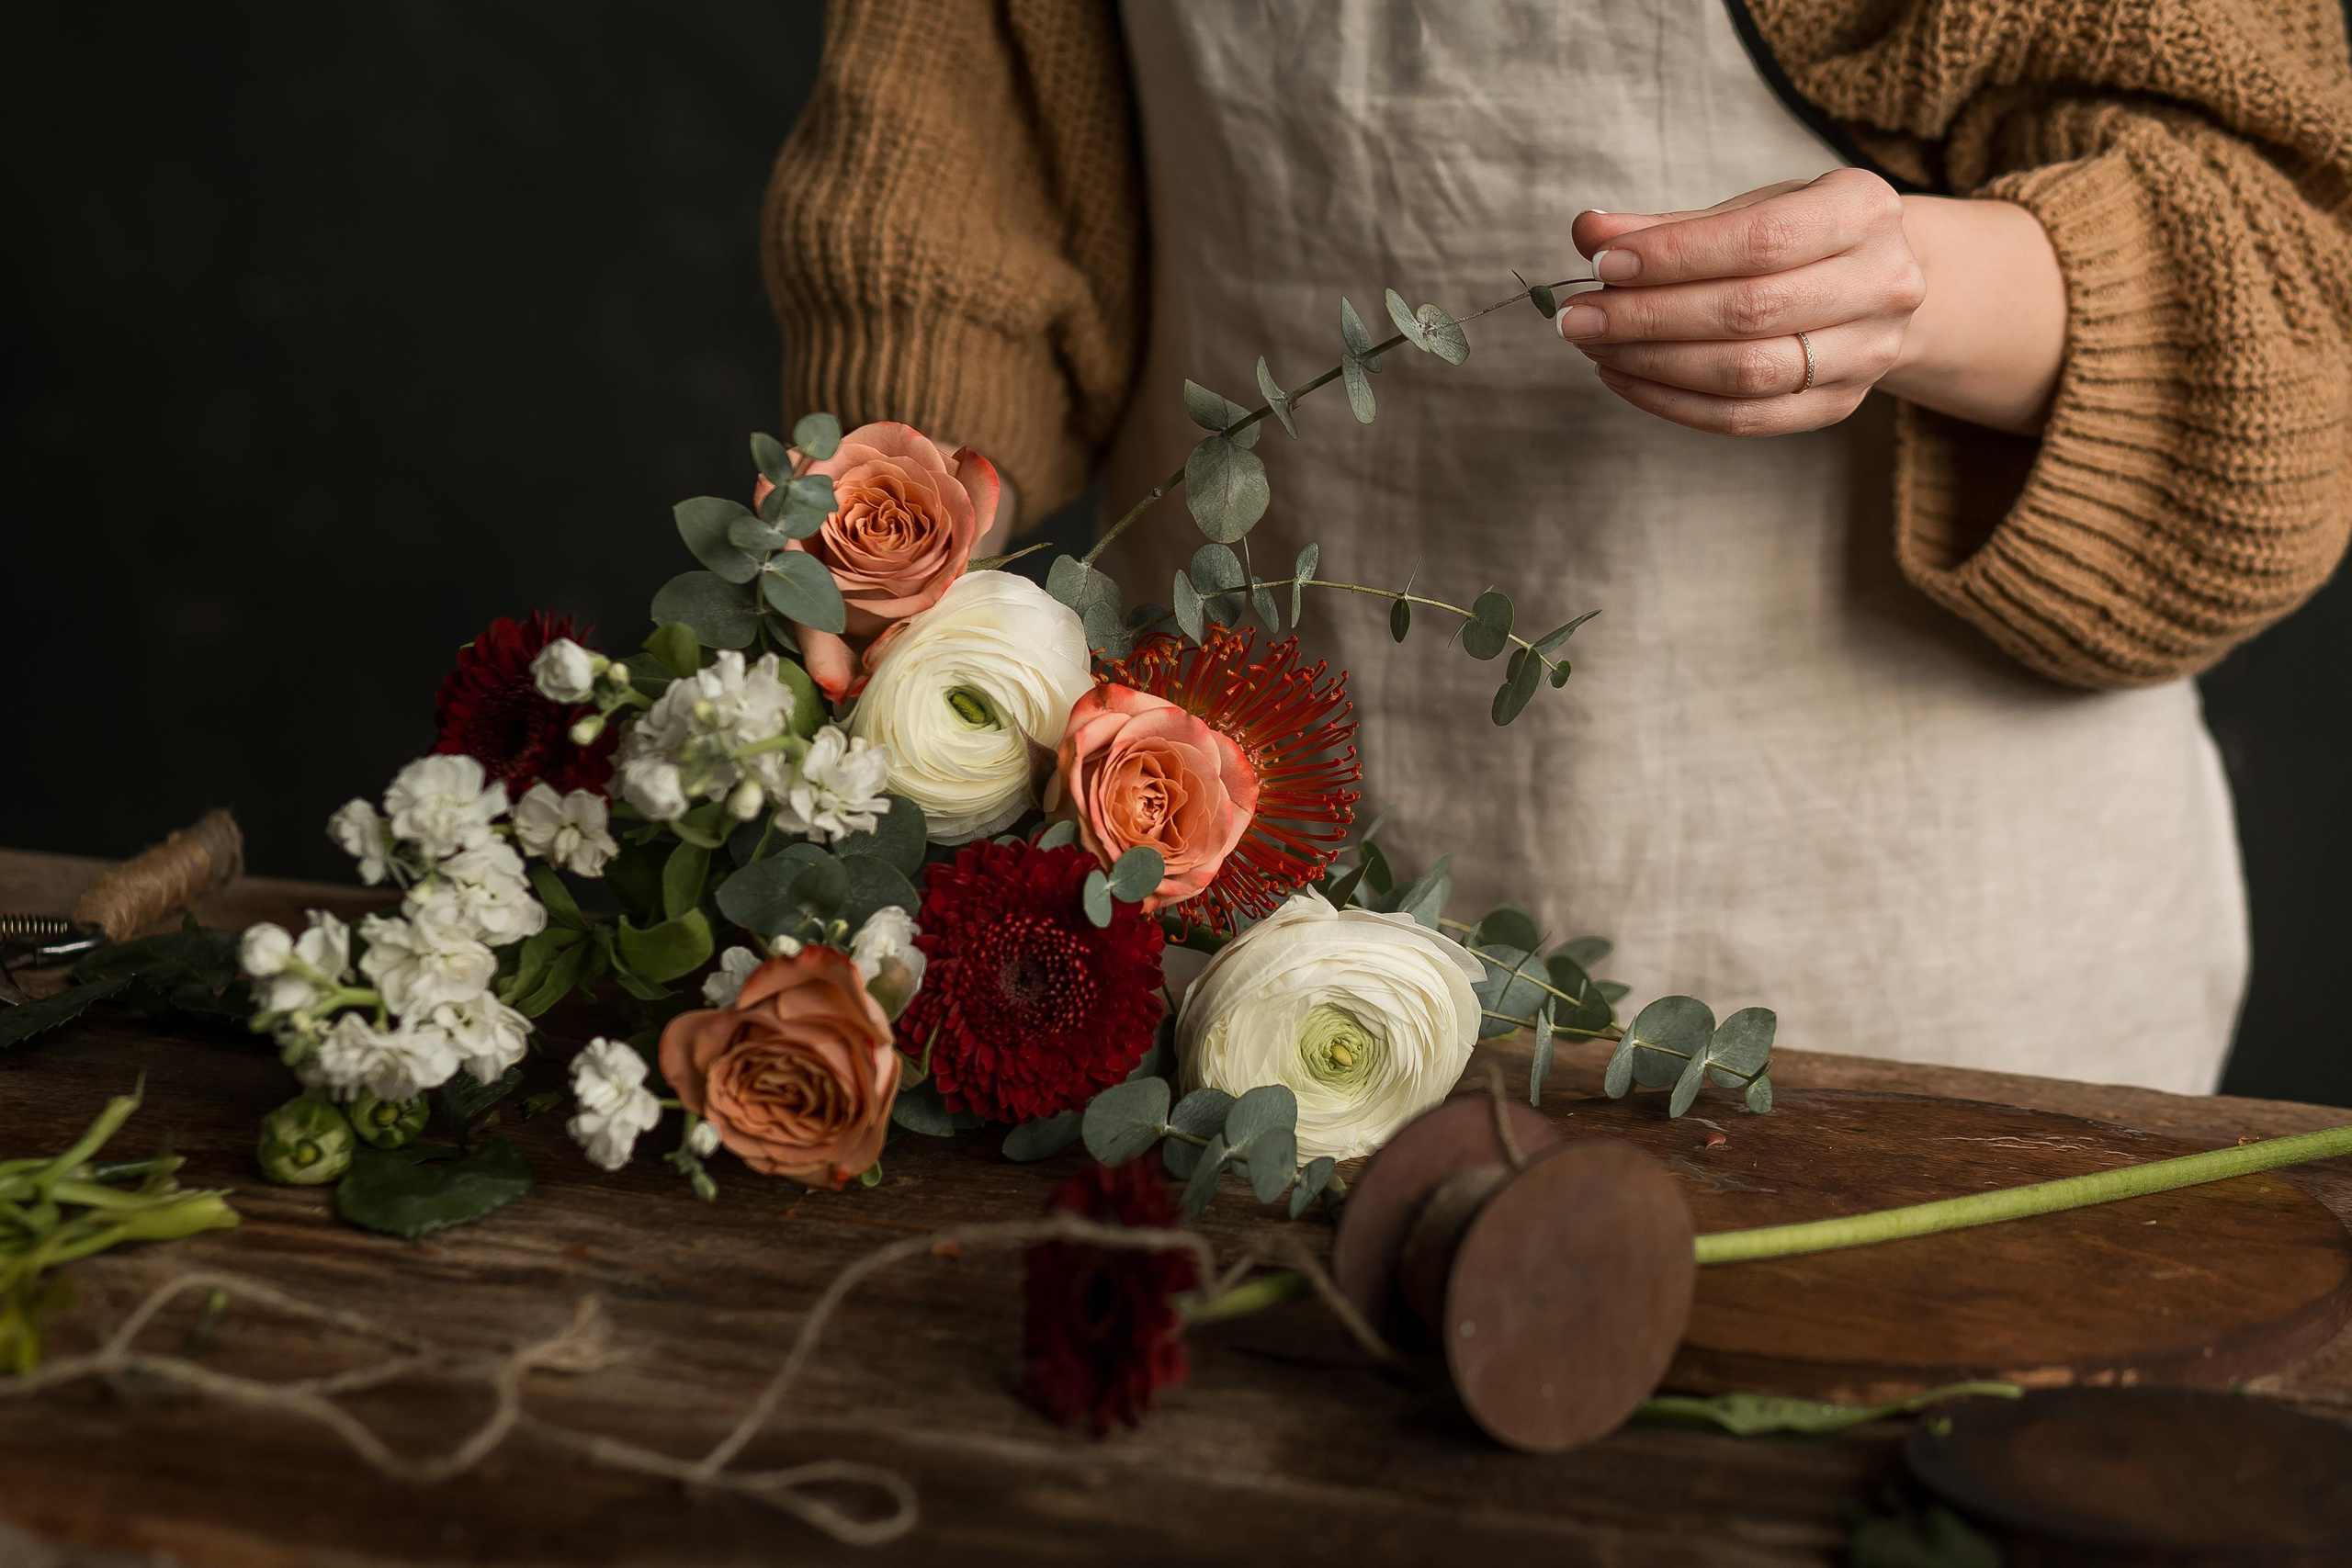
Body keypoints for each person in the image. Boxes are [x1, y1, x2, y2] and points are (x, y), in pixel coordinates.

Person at [761, 0, 2352, 1093]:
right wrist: (871, 546)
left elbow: (2286, 306)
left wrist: (1917, 285)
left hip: (1938, 990)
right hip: (1253, 985)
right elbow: (959, 191)